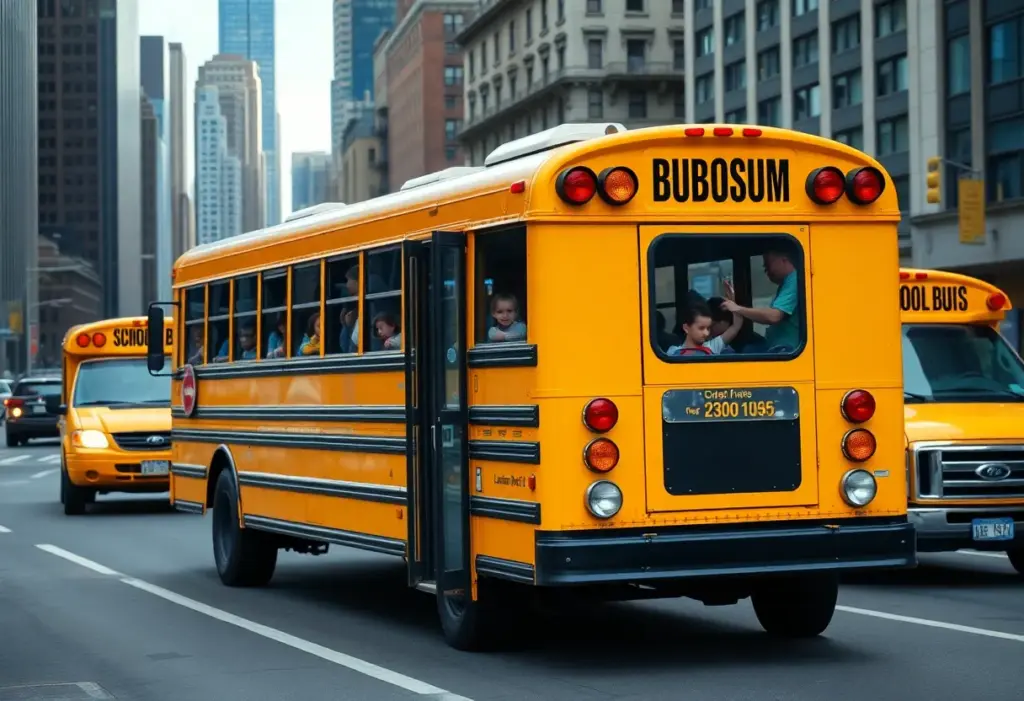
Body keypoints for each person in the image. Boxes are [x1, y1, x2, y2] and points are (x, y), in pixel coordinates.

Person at [721, 247, 800, 352]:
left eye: (768, 265)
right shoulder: (786, 283)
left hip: (788, 350)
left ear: (784, 260)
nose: (766, 271)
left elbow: (774, 316)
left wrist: (737, 308)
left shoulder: (794, 280)